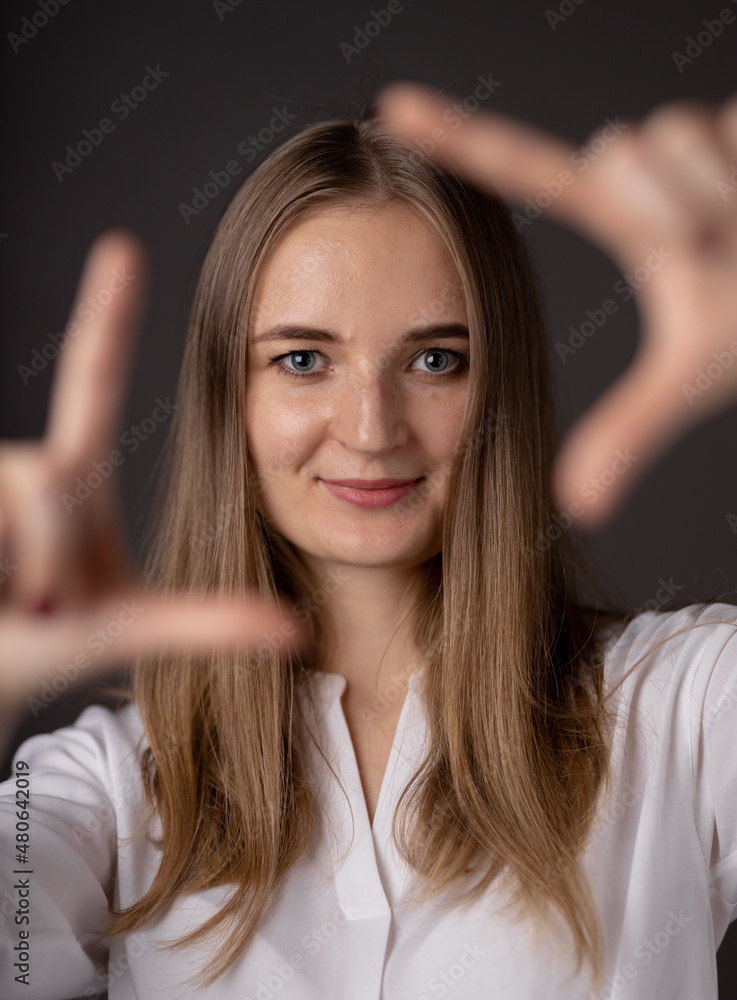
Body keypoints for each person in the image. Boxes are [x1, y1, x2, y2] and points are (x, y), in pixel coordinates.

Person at [1, 81, 736, 999]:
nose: (370, 427)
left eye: (435, 360)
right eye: (302, 360)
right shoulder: (94, 788)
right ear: (231, 396)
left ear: (500, 385)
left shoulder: (685, 710)